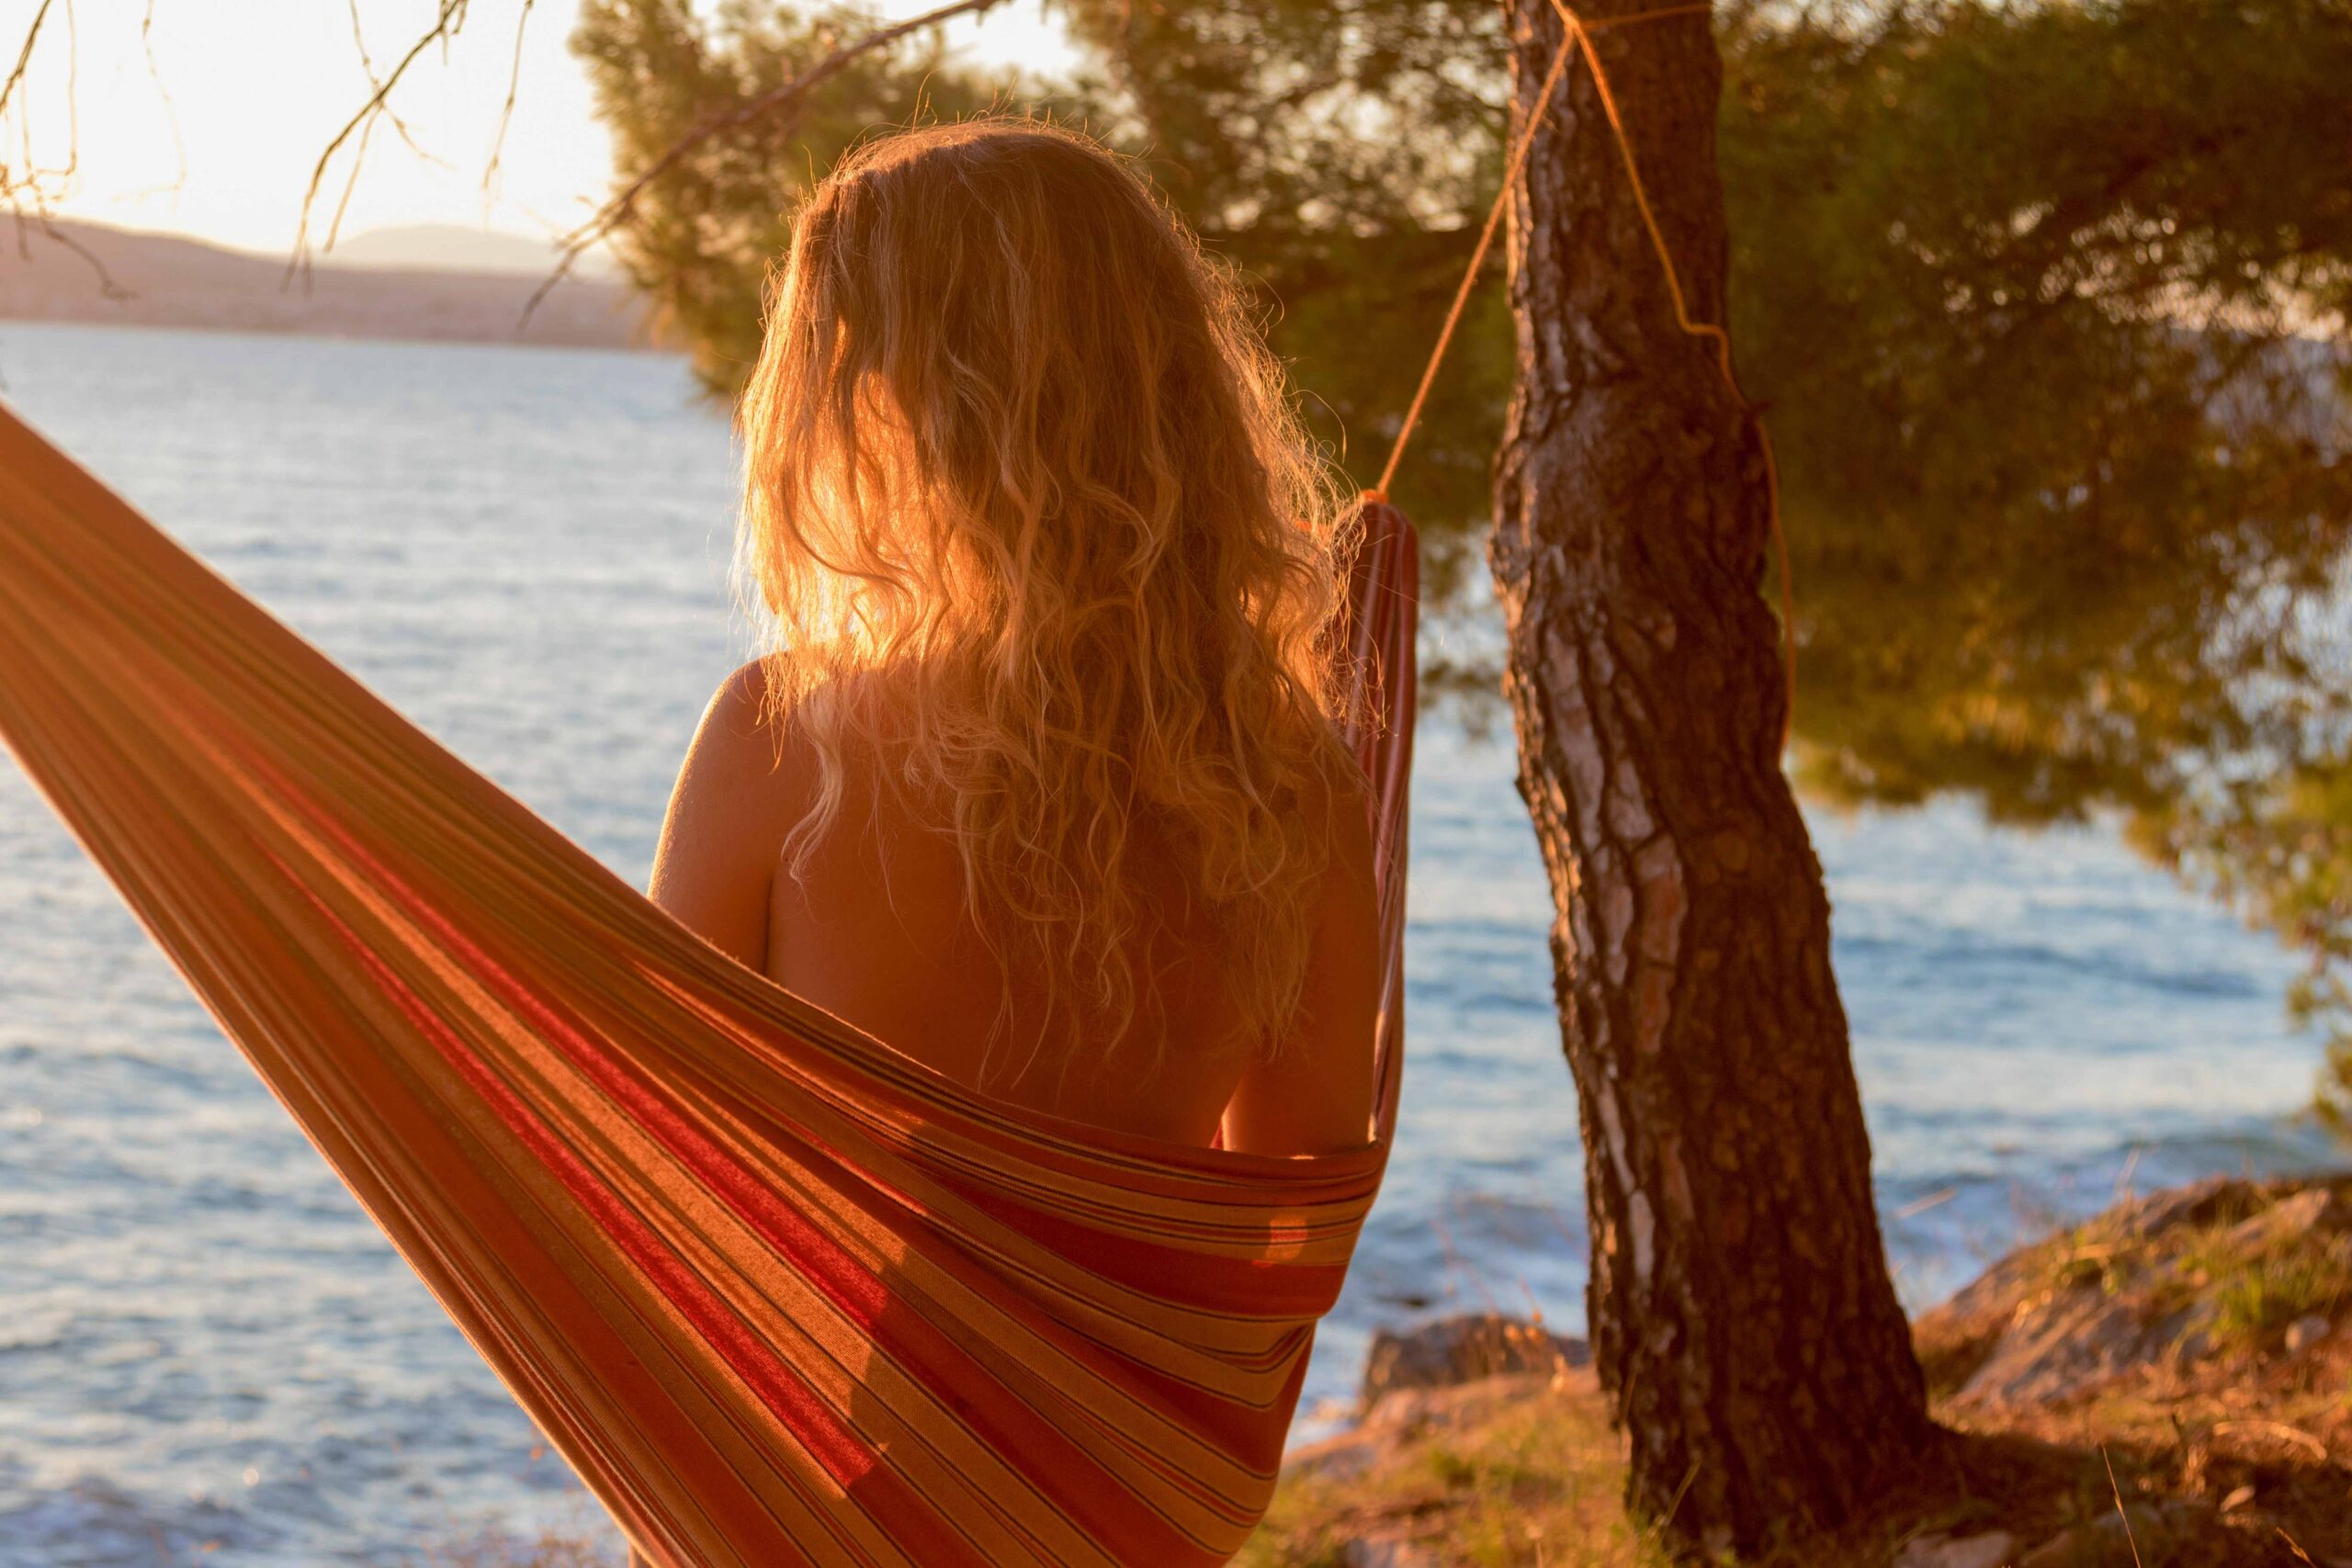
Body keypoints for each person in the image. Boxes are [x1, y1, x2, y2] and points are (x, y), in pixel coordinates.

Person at [649, 118, 1381, 1160]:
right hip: (1134, 1283)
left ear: (892, 408)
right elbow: (1299, 1215)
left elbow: (658, 1155)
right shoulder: (1287, 787)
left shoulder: (779, 744)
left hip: (824, 1278)